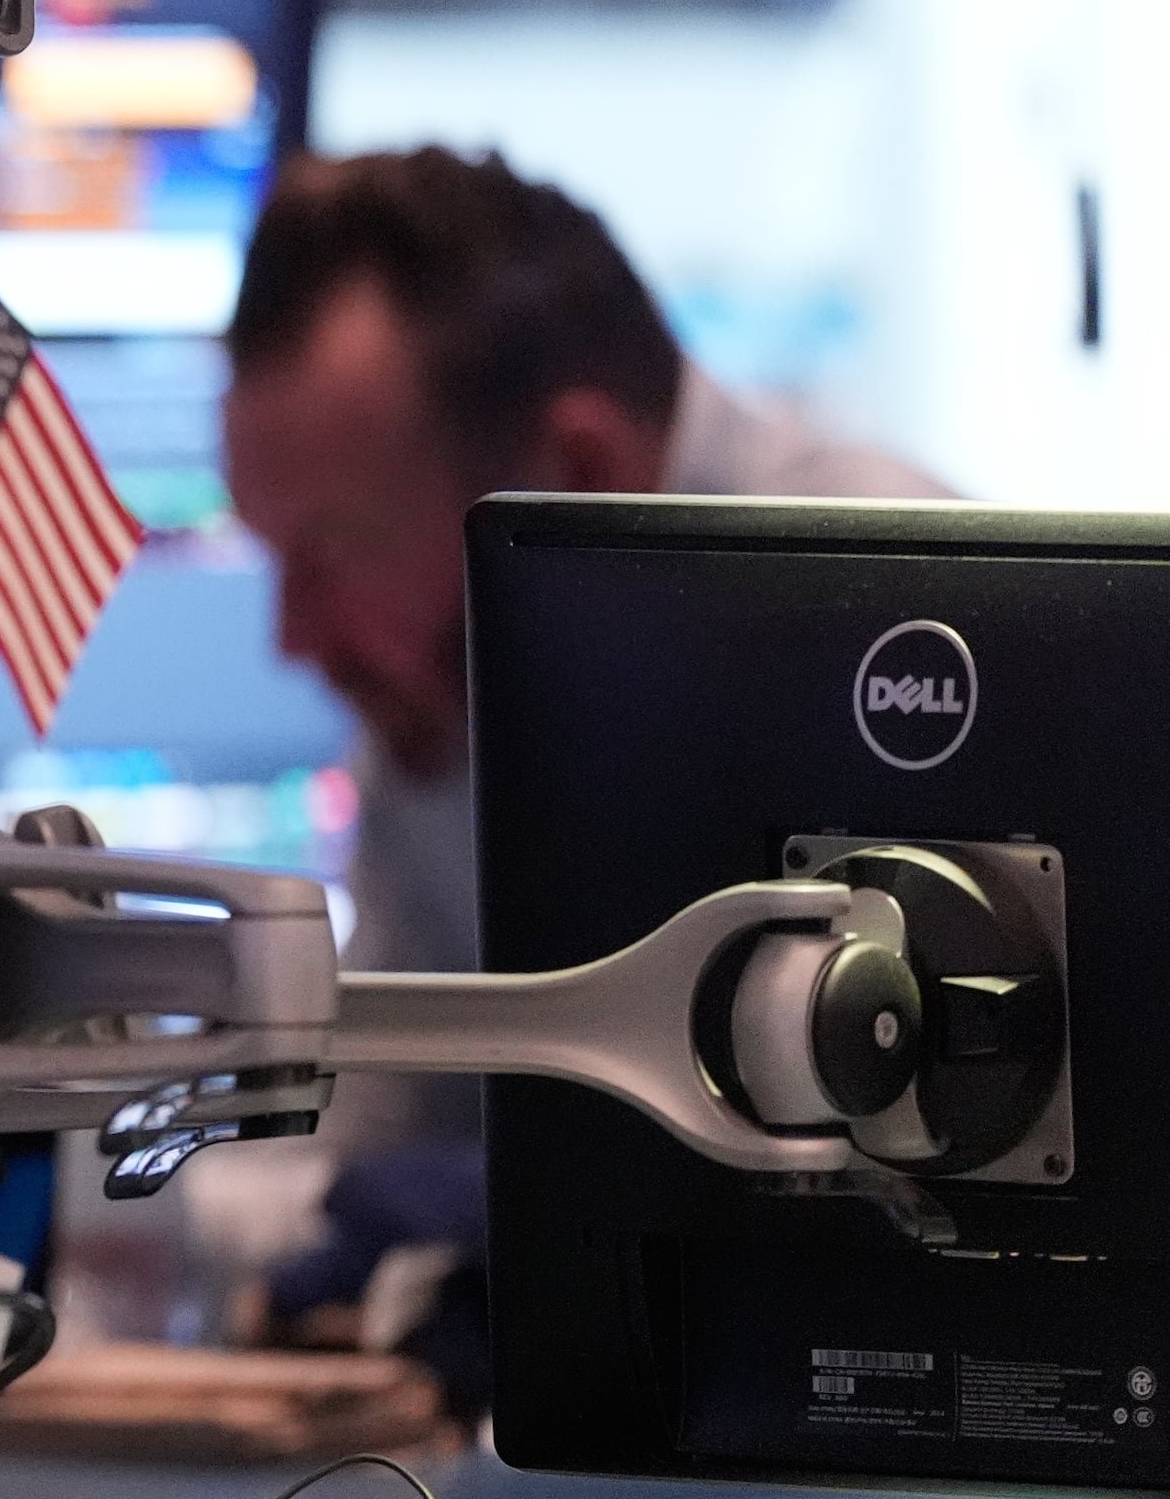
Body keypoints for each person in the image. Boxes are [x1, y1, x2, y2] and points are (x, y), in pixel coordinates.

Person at [214, 146, 948, 1405]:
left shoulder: (916, 633)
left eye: (331, 555)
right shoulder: (437, 722)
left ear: (583, 472)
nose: (292, 638)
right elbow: (355, 1158)